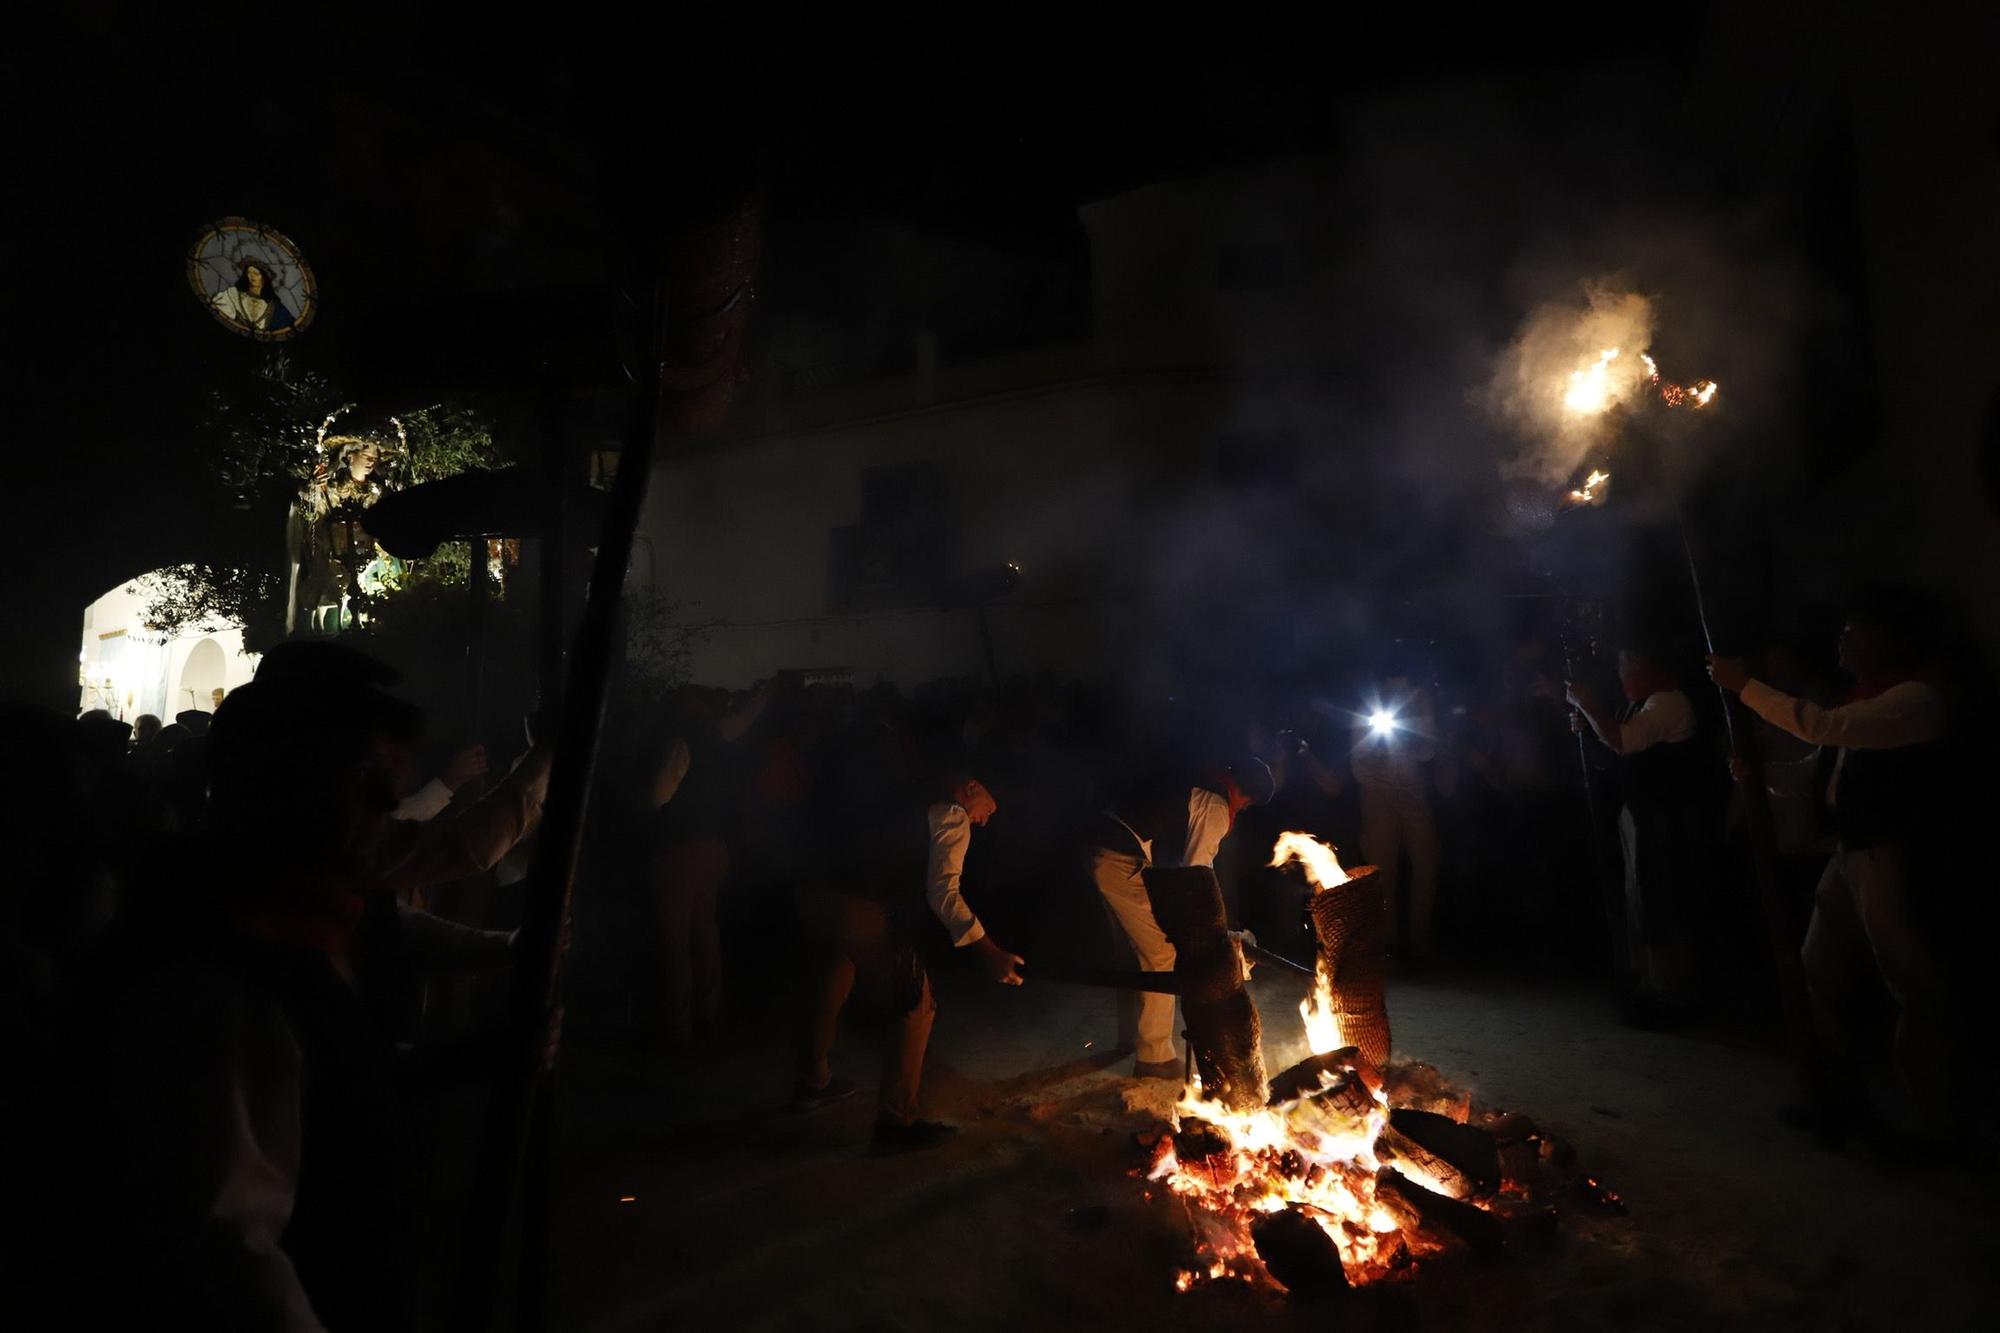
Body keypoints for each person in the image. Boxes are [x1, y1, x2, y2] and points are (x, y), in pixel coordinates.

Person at [1708, 593, 1952, 1139]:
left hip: (1886, 855)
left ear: (1890, 641)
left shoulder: (1914, 700)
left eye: (1855, 631)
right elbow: (1819, 760)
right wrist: (1757, 773)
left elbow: (1820, 727)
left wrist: (1744, 686)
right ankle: (1838, 1091)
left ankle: (1937, 1123)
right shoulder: (1868, 697)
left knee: (1914, 985)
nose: (1843, 640)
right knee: (1817, 966)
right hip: (1850, 852)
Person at [796, 767, 1024, 1152]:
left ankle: (811, 1080)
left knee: (834, 975)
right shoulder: (952, 814)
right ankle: (896, 1123)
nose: (983, 820)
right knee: (915, 998)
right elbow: (944, 895)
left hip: (811, 896)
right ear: (971, 788)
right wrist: (991, 953)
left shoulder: (907, 789)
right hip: (858, 905)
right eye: (987, 809)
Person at [1084, 756, 1273, 1079]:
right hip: (1119, 860)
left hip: (1104, 847)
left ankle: (1130, 1040)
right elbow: (1194, 877)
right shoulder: (1214, 806)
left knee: (1136, 953)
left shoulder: (1198, 778)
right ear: (1247, 798)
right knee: (1161, 953)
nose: (1240, 811)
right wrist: (1218, 937)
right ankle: (1153, 1058)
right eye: (1245, 807)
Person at [1567, 641, 1703, 1027]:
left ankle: (1671, 995)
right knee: (1640, 899)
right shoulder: (1639, 705)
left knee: (1661, 899)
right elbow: (1612, 755)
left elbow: (1624, 741)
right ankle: (1647, 988)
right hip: (1641, 815)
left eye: (1630, 663)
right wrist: (1590, 727)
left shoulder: (1668, 702)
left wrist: (1591, 709)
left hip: (1664, 818)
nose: (1622, 672)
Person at [1351, 660, 1441, 963]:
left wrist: (1412, 739)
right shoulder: (1367, 706)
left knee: (1426, 863)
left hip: (1414, 795)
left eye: (1402, 687)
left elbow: (1430, 750)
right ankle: (1386, 942)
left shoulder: (1420, 699)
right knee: (1381, 870)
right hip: (1378, 798)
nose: (1397, 692)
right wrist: (1377, 756)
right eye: (1392, 687)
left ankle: (1419, 939)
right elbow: (1358, 767)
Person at [211, 258, 296, 333]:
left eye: (256, 273)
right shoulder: (233, 295)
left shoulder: (274, 307)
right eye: (249, 272)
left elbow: (291, 327)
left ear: (264, 277)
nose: (251, 277)